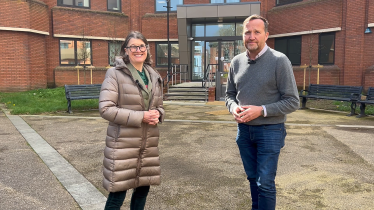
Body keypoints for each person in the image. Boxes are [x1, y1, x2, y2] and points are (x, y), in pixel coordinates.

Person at [225, 15, 299, 210]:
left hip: (270, 131)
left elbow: (292, 101)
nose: (251, 36)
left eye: (257, 32)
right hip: (244, 132)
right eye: (247, 32)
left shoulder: (279, 61)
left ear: (266, 35)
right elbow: (229, 95)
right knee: (252, 179)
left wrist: (262, 110)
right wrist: (234, 107)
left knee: (264, 183)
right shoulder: (236, 62)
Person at [99, 31, 164, 210]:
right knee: (117, 194)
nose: (138, 50)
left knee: (142, 191)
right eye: (133, 46)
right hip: (123, 145)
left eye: (141, 46)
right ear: (126, 50)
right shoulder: (114, 74)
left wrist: (158, 114)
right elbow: (106, 109)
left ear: (147, 49)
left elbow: (159, 105)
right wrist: (141, 117)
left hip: (148, 144)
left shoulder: (153, 75)